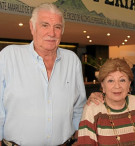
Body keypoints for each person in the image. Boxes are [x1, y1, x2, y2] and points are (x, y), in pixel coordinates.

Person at [0, 3, 86, 146]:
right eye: (45, 25)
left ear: (62, 31)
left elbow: (79, 105)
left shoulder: (72, 60)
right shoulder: (9, 56)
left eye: (57, 27)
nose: (51, 33)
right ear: (32, 27)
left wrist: (78, 135)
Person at [77, 58, 135, 145]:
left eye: (122, 80)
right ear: (103, 85)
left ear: (129, 84)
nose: (117, 86)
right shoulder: (93, 109)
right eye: (110, 80)